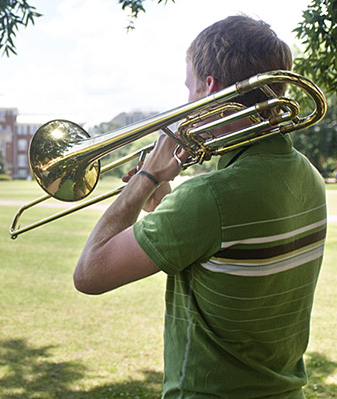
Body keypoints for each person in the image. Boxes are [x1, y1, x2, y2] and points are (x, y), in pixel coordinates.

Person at [73, 15, 326, 398]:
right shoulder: (307, 176)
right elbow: (219, 251)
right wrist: (163, 197)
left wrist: (146, 180)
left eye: (189, 88)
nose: (187, 103)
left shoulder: (208, 197)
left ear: (210, 88)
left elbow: (90, 273)